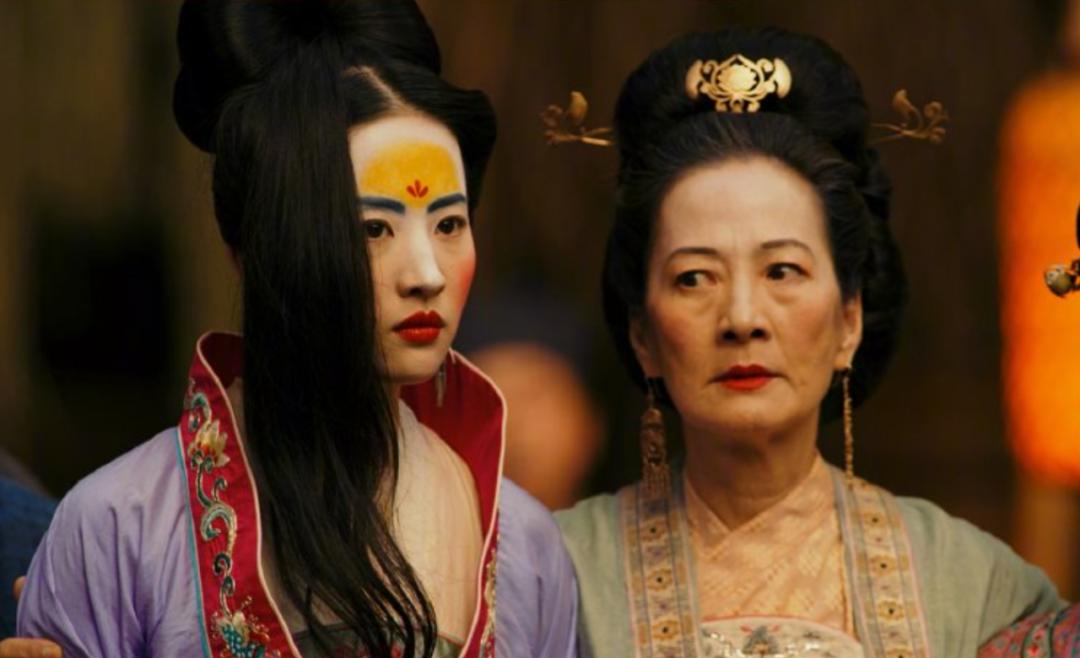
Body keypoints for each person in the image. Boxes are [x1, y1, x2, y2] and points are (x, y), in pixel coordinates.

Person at [13, 2, 576, 657]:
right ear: (255, 252)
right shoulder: (119, 526)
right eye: (373, 229)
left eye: (449, 224)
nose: (426, 274)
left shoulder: (527, 547)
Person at [555, 27, 1064, 658]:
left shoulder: (975, 586)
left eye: (782, 271)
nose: (742, 318)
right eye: (694, 278)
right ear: (643, 335)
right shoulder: (554, 575)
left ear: (849, 319)